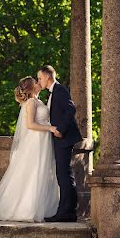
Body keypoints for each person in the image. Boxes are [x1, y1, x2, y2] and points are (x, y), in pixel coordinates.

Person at [0, 76, 60, 223]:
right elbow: (30, 125)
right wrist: (49, 128)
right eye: (36, 82)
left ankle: (41, 206)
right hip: (36, 141)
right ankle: (27, 209)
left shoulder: (38, 101)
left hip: (43, 141)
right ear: (31, 87)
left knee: (41, 172)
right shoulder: (30, 102)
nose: (39, 83)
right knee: (33, 173)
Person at [37, 65, 82, 222]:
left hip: (63, 138)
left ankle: (64, 213)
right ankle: (70, 212)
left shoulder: (60, 90)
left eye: (40, 78)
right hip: (60, 138)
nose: (39, 81)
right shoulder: (52, 93)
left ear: (48, 76)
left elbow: (71, 109)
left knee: (63, 175)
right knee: (64, 175)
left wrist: (60, 129)